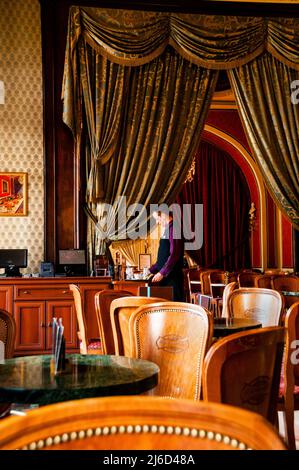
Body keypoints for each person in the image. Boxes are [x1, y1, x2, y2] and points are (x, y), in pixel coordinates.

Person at [149, 209, 185, 302]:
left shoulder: (174, 228)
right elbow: (163, 257)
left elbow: (174, 254)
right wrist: (149, 271)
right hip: (166, 278)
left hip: (173, 278)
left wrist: (162, 273)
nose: (157, 222)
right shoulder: (168, 229)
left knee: (175, 308)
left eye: (157, 218)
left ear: (164, 214)